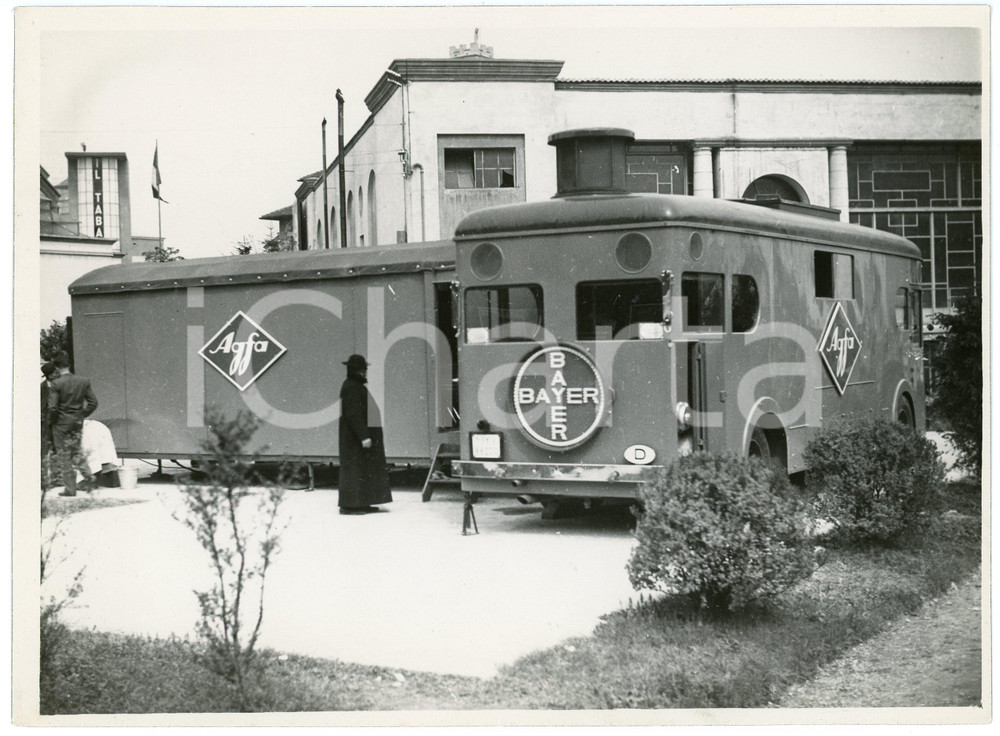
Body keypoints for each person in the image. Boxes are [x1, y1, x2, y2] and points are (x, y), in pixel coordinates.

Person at [338, 354, 392, 514]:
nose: (364, 372)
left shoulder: (353, 385)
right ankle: (350, 506)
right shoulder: (351, 386)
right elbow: (354, 414)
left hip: (357, 439)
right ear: (356, 370)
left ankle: (362, 503)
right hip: (355, 440)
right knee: (355, 471)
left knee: (361, 470)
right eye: (362, 370)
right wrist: (364, 436)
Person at [48, 352, 98, 497]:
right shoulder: (83, 381)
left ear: (56, 368)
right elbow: (93, 403)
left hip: (61, 423)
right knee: (76, 451)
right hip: (77, 422)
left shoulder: (56, 383)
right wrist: (82, 415)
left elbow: (52, 407)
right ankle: (89, 477)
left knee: (64, 455)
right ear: (68, 364)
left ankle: (70, 489)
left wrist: (54, 421)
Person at [40, 361, 58, 488]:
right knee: (47, 449)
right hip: (47, 422)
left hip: (60, 421)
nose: (57, 374)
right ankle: (47, 478)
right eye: (54, 373)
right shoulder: (42, 387)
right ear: (49, 375)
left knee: (59, 448)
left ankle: (58, 478)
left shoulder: (60, 384)